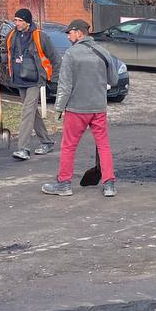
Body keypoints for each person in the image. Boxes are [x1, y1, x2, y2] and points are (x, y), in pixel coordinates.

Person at [41, 19, 120, 197]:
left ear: (79, 33)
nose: (68, 37)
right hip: (99, 107)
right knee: (103, 146)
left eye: (70, 33)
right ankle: (109, 184)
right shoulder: (103, 52)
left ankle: (64, 183)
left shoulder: (71, 54)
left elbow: (65, 85)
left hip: (77, 109)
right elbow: (114, 81)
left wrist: (59, 109)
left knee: (69, 146)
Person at [6, 7, 55, 160]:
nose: (17, 23)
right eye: (15, 20)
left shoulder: (39, 36)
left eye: (20, 20)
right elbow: (10, 54)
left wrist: (54, 80)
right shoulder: (12, 35)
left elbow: (55, 58)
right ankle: (46, 142)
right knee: (33, 112)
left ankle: (23, 149)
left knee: (27, 112)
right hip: (20, 79)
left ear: (28, 22)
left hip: (35, 80)